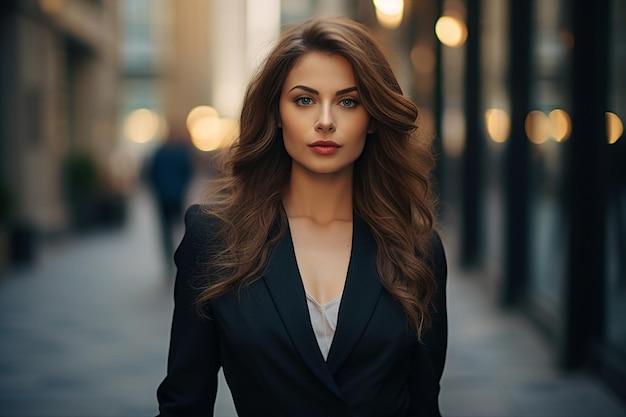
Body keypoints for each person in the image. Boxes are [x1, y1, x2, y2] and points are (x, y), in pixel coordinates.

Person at [156, 16, 447, 417]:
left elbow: (424, 405)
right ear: (276, 113)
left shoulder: (416, 249)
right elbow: (184, 405)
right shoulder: (214, 238)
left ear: (374, 118)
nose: (325, 120)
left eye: (348, 101)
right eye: (304, 100)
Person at [147, 130, 194, 270]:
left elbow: (151, 174)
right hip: (175, 196)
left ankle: (170, 260)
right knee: (179, 228)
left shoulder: (160, 153)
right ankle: (179, 258)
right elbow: (188, 171)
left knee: (167, 231)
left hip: (164, 197)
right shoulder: (181, 153)